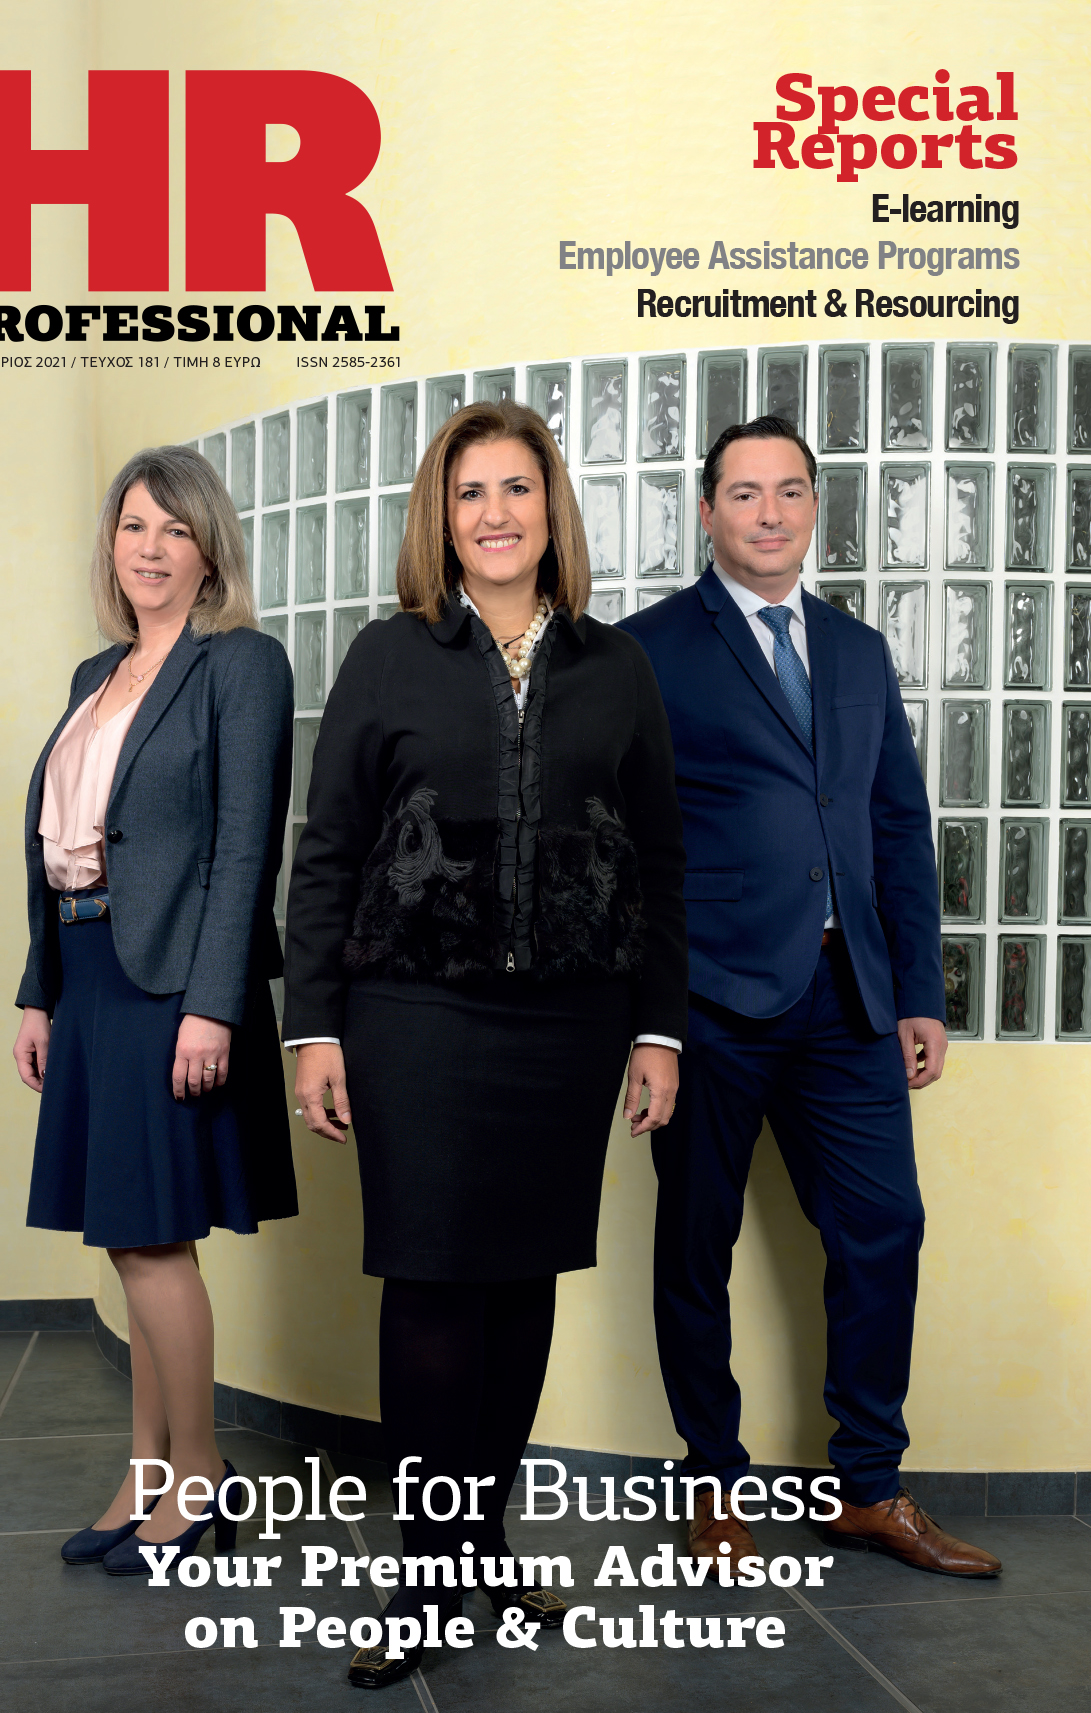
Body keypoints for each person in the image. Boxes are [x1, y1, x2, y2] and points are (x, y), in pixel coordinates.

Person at [283, 400, 688, 1687]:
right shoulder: (386, 657)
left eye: (517, 488)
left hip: (571, 1021)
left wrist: (658, 1028)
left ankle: (484, 1549)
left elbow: (660, 858)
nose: (496, 513)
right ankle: (423, 1574)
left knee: (521, 1282)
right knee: (430, 1280)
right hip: (414, 1015)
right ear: (441, 517)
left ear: (549, 509)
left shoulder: (617, 668)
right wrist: (311, 1026)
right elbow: (328, 851)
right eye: (470, 493)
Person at [618, 415, 1001, 1579]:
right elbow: (620, 848)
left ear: (813, 507)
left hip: (848, 1000)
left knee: (884, 1228)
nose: (769, 512)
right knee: (696, 1246)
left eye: (788, 491)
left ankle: (867, 1487)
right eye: (743, 493)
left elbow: (894, 825)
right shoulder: (644, 651)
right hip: (708, 1002)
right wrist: (647, 1020)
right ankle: (710, 1484)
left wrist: (917, 991)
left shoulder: (855, 651)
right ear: (704, 512)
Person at [11, 444, 296, 1574]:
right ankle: (145, 1474)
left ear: (209, 549)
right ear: (112, 542)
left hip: (171, 983)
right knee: (128, 1239)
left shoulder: (242, 665)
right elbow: (60, 847)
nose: (151, 547)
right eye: (134, 525)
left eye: (176, 529)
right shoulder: (97, 674)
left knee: (151, 1238)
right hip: (87, 975)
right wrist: (39, 991)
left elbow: (243, 849)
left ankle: (201, 1481)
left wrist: (213, 1007)